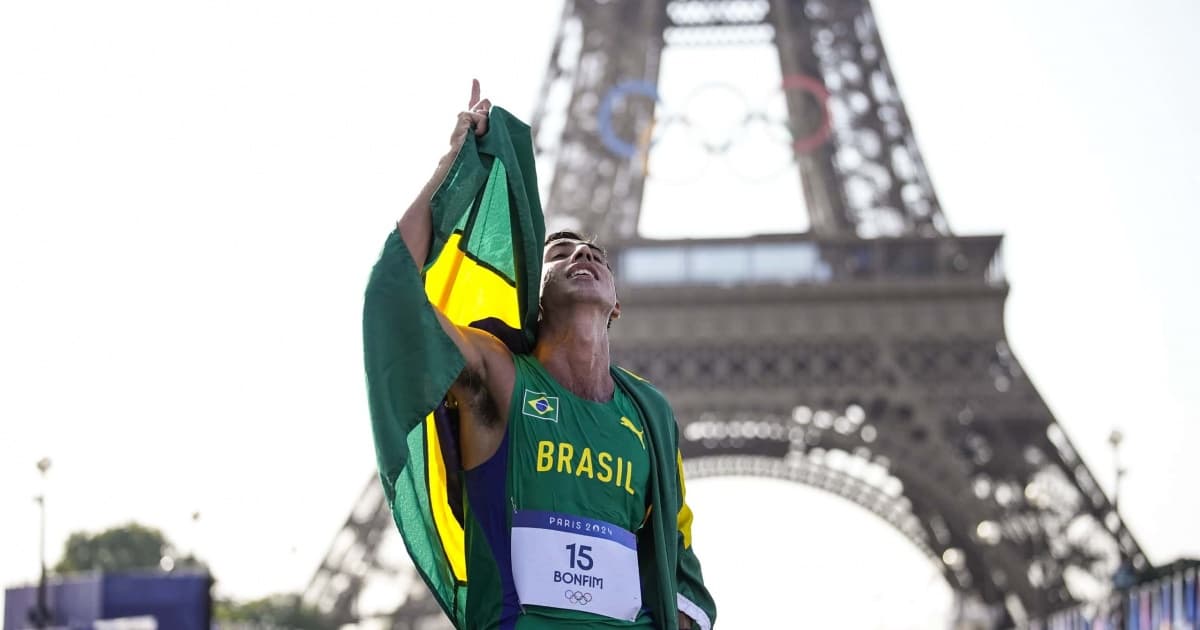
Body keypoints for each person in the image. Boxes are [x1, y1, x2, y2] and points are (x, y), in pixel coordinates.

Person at [364, 80, 715, 630]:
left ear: (616, 304)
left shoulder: (650, 413)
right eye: (560, 251)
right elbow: (398, 295)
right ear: (535, 293)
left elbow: (678, 551)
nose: (582, 253)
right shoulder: (499, 376)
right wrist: (451, 172)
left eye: (596, 253)